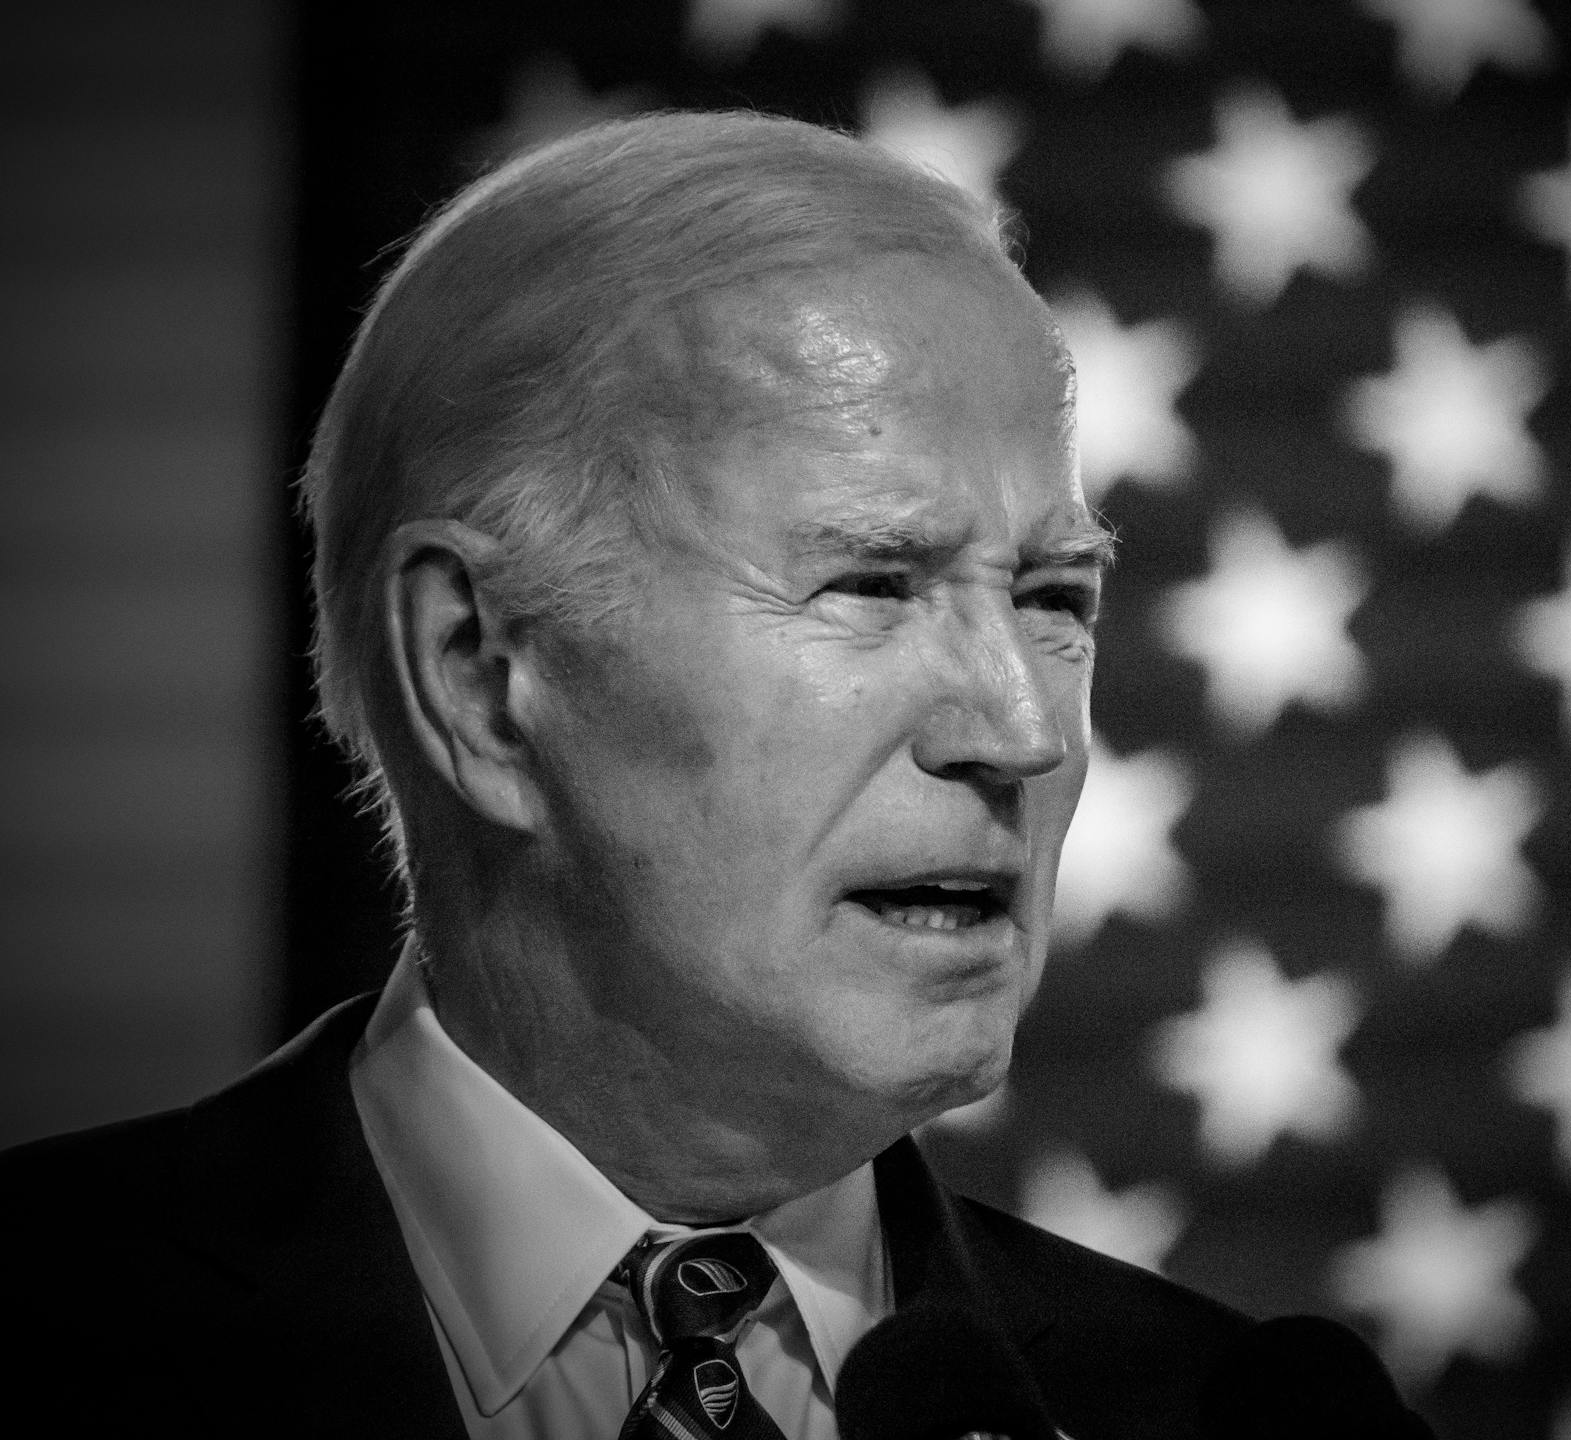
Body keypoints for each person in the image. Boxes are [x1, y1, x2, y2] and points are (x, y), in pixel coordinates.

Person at [0, 111, 1254, 1438]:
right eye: (873, 585)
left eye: (1056, 595)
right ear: (480, 673)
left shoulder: (1247, 1417)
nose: (1022, 730)